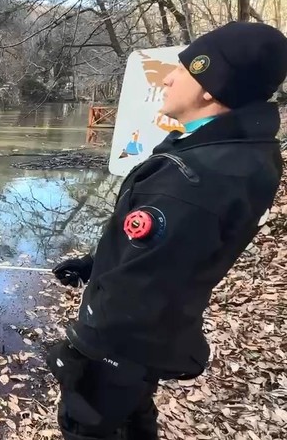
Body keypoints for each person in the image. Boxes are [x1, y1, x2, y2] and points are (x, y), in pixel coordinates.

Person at [47, 22, 287, 440]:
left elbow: (142, 289)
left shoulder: (193, 178)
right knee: (132, 416)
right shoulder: (236, 151)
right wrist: (95, 264)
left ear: (211, 87)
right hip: (160, 331)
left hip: (126, 342)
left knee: (88, 425)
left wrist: (83, 343)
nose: (170, 79)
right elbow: (171, 251)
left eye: (185, 71)